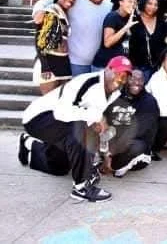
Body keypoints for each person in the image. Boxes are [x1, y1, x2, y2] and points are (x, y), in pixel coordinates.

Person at [19, 55, 133, 202]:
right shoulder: (87, 82)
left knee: (60, 166)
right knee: (81, 128)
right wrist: (94, 118)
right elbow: (62, 113)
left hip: (59, 123)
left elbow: (96, 125)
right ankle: (81, 188)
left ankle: (28, 144)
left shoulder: (114, 93)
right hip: (38, 118)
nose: (119, 79)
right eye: (117, 73)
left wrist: (102, 155)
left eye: (124, 77)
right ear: (107, 69)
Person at [101, 69, 159, 177]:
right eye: (132, 78)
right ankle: (107, 162)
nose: (136, 82)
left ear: (144, 82)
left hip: (133, 145)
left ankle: (116, 165)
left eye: (140, 80)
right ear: (126, 79)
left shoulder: (149, 102)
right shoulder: (117, 95)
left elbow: (138, 131)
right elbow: (104, 116)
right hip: (112, 141)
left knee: (136, 146)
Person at [35, 0, 79, 94]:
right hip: (50, 62)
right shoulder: (51, 11)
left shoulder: (63, 12)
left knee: (63, 102)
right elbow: (39, 41)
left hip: (63, 62)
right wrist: (45, 67)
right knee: (48, 103)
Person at [68, 0, 112, 76]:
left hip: (98, 64)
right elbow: (49, 1)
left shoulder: (109, 7)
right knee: (78, 90)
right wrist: (38, 10)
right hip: (76, 63)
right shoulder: (76, 0)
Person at [145, 50, 167, 161]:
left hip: (164, 113)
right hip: (152, 115)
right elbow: (161, 108)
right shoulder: (158, 79)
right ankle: (149, 149)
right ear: (163, 63)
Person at [92, 0, 138, 70]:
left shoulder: (130, 17)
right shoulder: (112, 17)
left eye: (135, 2)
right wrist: (126, 27)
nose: (132, 4)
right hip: (104, 66)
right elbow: (107, 43)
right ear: (121, 2)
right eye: (129, 1)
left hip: (119, 67)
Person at [128, 0, 167, 82]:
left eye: (155, 5)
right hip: (138, 69)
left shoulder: (161, 22)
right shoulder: (134, 20)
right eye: (149, 3)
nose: (152, 7)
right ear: (143, 2)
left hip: (158, 69)